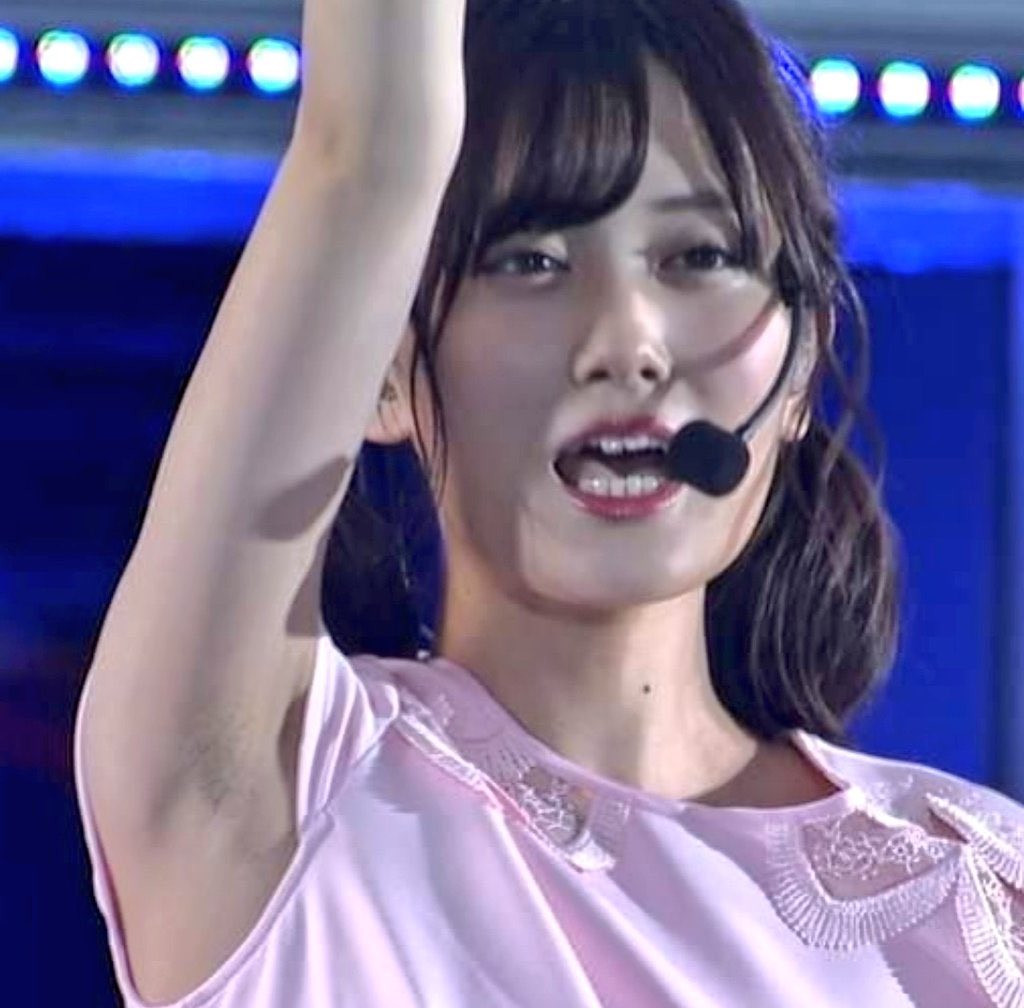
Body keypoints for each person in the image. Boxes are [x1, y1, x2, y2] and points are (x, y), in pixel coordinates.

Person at [74, 1, 1024, 1005]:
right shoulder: (270, 803)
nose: (627, 342)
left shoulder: (985, 894)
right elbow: (368, 152)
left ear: (800, 365)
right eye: (529, 261)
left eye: (699, 257)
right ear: (387, 365)